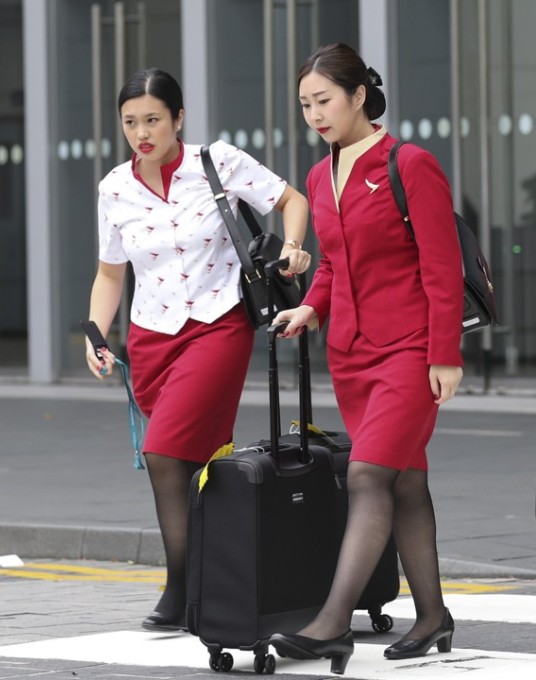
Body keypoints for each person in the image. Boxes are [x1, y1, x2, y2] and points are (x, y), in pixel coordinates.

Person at [85, 68, 311, 631]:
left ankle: (181, 587)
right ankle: (219, 580)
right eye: (131, 122)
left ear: (178, 119)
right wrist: (96, 333)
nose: (142, 132)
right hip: (150, 338)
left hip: (217, 325)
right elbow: (110, 274)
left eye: (153, 120)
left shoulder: (218, 162)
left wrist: (293, 248)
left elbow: (292, 200)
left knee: (162, 451)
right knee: (192, 464)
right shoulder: (114, 187)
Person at [267, 43, 463, 673]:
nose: (315, 114)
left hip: (410, 350)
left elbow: (441, 264)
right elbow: (333, 262)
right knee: (405, 481)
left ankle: (331, 623)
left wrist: (446, 354)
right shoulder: (321, 176)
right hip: (351, 355)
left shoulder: (411, 164)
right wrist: (312, 309)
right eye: (304, 104)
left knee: (367, 475)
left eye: (323, 100)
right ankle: (432, 616)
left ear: (358, 95)